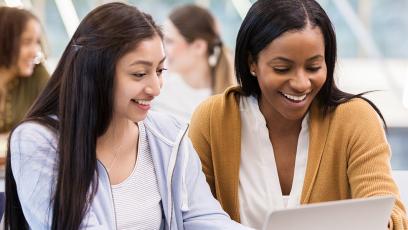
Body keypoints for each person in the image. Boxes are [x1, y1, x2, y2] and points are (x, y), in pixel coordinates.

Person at [4, 3, 250, 229]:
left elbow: (201, 217)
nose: (156, 88)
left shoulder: (169, 135)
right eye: (139, 74)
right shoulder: (38, 141)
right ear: (96, 72)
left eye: (160, 70)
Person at [189, 0, 408, 229]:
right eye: (282, 69)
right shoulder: (214, 119)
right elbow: (190, 214)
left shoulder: (355, 119)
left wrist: (383, 223)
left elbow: (391, 212)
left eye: (313, 67)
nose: (302, 84)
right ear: (251, 62)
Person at [153, 4, 235, 121]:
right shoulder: (158, 92)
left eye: (170, 41)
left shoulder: (232, 102)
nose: (163, 49)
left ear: (198, 47)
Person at [0, 6, 49, 133]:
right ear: (4, 40)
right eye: (27, 42)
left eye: (37, 42)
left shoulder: (39, 75)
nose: (36, 51)